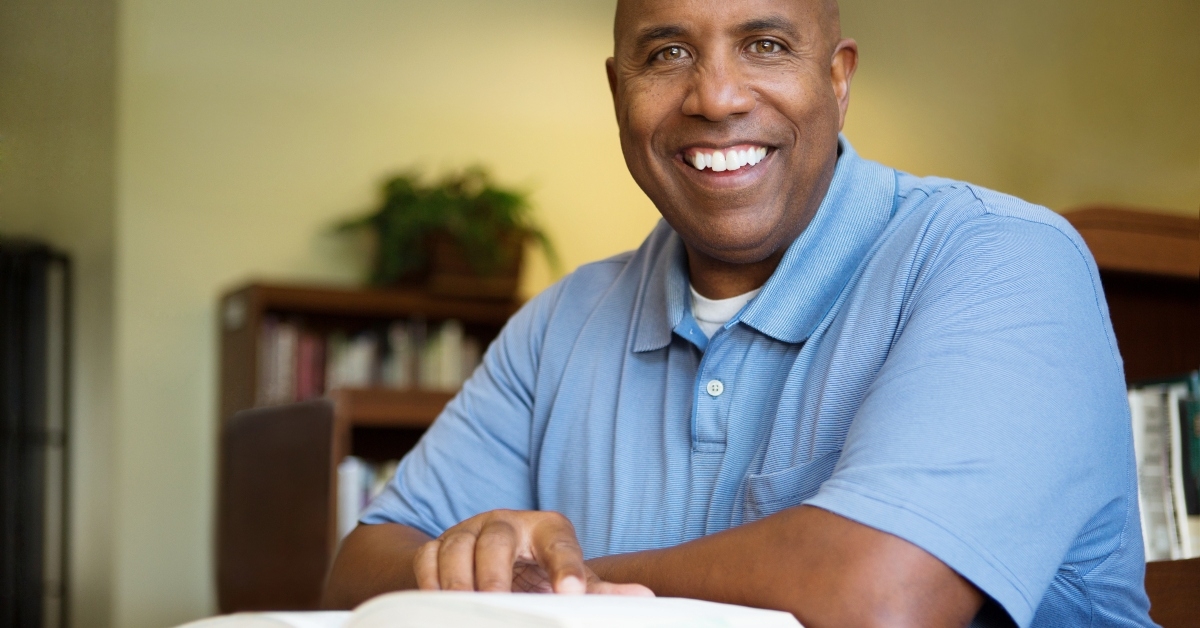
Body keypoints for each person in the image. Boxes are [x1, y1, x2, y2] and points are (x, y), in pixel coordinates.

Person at [323, 1, 1154, 626]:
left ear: (838, 78)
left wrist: (559, 590)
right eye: (667, 52)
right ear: (619, 91)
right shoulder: (561, 321)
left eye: (765, 45)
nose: (716, 97)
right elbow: (359, 569)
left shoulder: (999, 255)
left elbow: (882, 596)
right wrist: (482, 562)